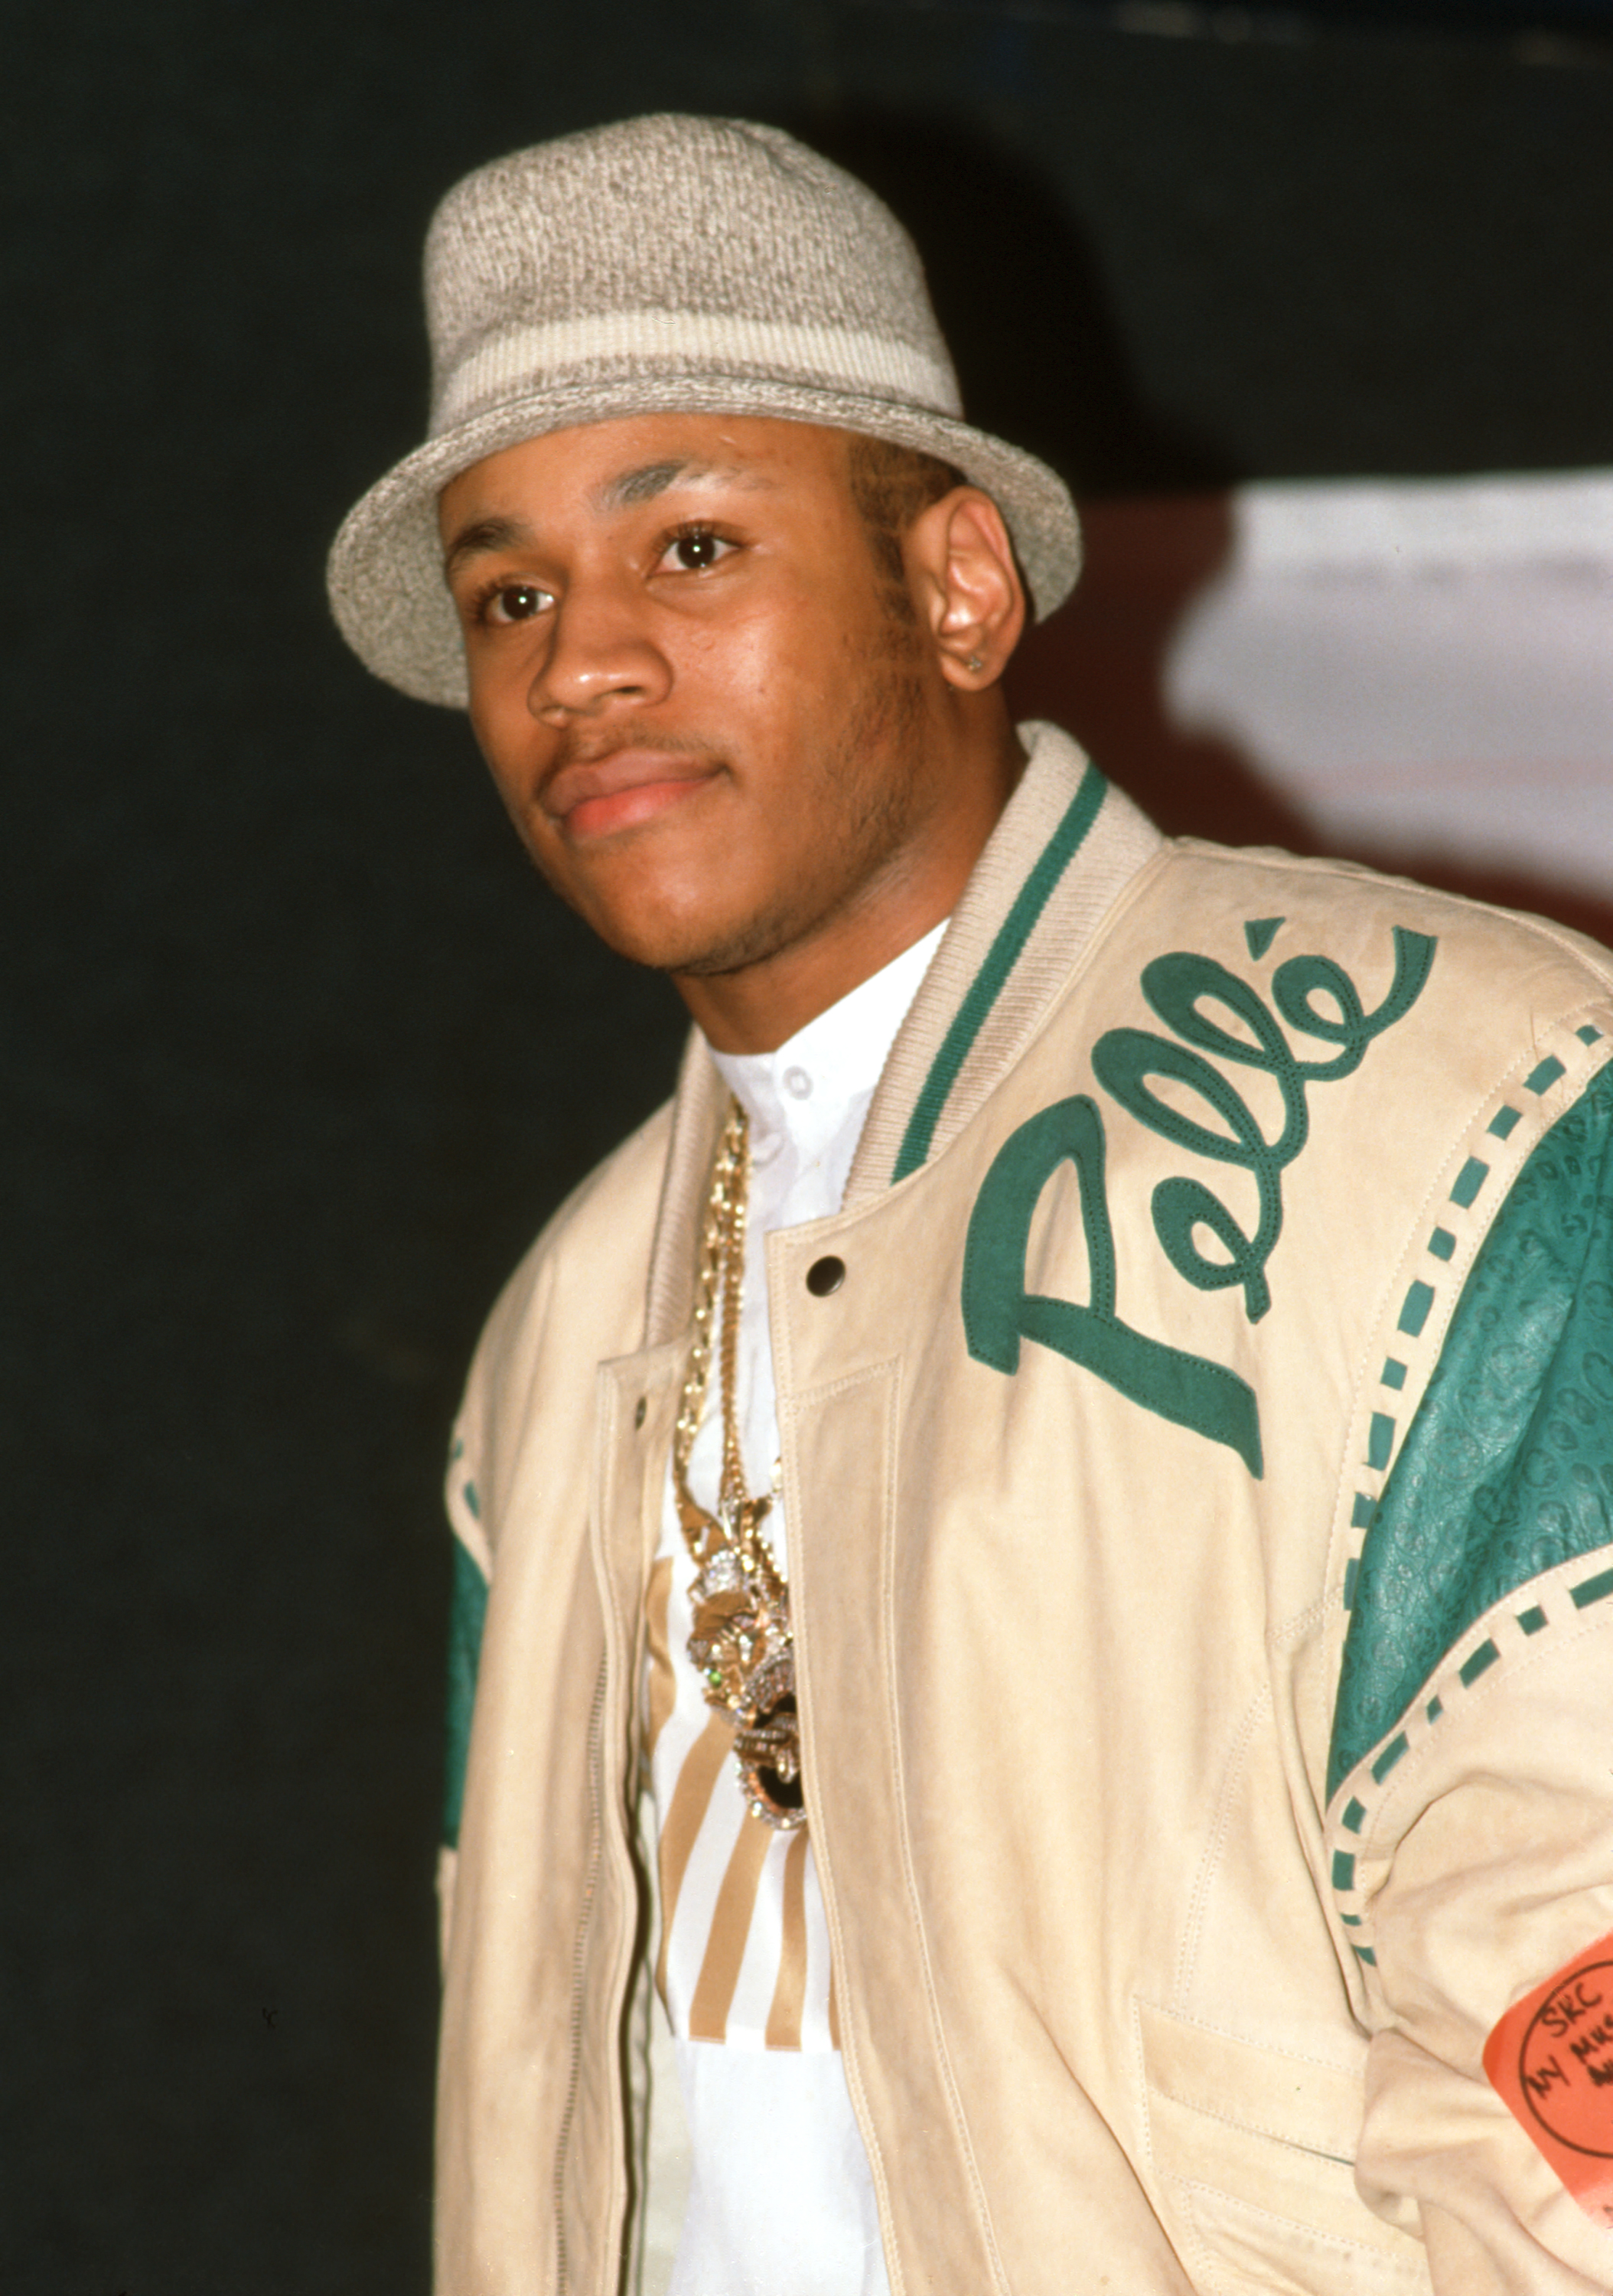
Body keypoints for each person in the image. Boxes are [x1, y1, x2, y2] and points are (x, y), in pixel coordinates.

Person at [327, 114, 1613, 2296]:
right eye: (508, 594)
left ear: (954, 587)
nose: (580, 667)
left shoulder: (1461, 1097)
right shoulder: (560, 1330)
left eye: (694, 551)